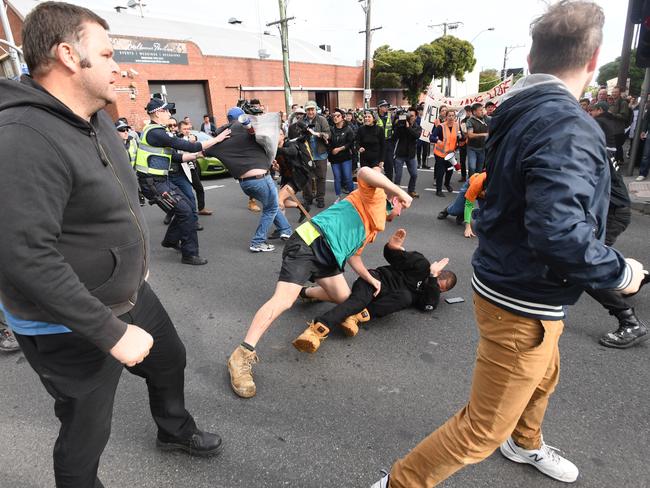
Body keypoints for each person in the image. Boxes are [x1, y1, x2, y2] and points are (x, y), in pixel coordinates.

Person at [373, 2, 646, 487]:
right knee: (480, 429)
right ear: (594, 57)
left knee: (543, 379)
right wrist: (622, 273)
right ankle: (399, 483)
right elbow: (560, 232)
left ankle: (524, 443)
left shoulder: (519, 110)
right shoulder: (565, 123)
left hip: (521, 283)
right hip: (524, 294)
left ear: (532, 55)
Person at [0, 4, 225, 487]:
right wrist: (111, 333)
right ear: (67, 55)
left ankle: (173, 429)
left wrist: (134, 260)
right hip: (67, 322)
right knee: (85, 430)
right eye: (105, 53)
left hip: (126, 292)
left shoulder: (95, 117)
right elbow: (23, 256)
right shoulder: (22, 137)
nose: (118, 65)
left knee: (170, 359)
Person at [227, 166, 413, 398]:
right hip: (310, 242)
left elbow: (354, 256)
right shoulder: (374, 195)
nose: (401, 211)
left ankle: (305, 294)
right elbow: (364, 171)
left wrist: (369, 280)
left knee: (344, 298)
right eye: (401, 206)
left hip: (330, 258)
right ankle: (241, 355)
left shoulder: (373, 229)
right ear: (394, 200)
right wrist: (400, 191)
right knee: (283, 300)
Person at [292, 228, 456, 353]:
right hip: (375, 280)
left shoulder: (430, 290)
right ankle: (315, 331)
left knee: (405, 297)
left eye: (440, 290)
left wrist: (434, 278)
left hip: (380, 302)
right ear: (438, 271)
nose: (435, 289)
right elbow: (395, 257)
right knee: (355, 301)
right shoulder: (421, 264)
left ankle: (352, 316)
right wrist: (393, 247)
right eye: (437, 284)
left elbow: (429, 305)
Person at [585, 101, 648, 348]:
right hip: (612, 212)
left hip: (611, 214)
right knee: (584, 259)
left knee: (581, 265)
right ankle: (636, 275)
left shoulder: (590, 154)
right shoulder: (596, 149)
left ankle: (629, 321)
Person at [136, 98, 228, 265]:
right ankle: (189, 254)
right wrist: (216, 139)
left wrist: (199, 155)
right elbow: (189, 146)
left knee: (188, 208)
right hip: (153, 183)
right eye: (167, 111)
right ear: (158, 112)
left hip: (160, 181)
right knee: (185, 212)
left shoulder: (156, 132)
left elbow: (176, 157)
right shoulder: (155, 132)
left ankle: (171, 241)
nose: (170, 115)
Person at [205, 107, 292, 252]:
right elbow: (269, 136)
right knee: (271, 208)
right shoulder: (249, 129)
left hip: (246, 183)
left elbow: (202, 151)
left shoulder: (221, 138)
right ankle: (258, 242)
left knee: (271, 205)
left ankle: (286, 230)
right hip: (261, 178)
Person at [179, 120, 213, 216]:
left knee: (199, 188)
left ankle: (201, 208)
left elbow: (196, 146)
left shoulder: (192, 137)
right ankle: (172, 213)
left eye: (188, 129)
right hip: (181, 168)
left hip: (191, 167)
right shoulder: (177, 138)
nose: (186, 131)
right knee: (183, 193)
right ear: (180, 129)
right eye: (184, 129)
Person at [302, 100, 330, 208]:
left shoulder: (322, 120)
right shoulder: (302, 121)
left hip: (321, 154)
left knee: (321, 177)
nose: (310, 112)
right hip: (307, 154)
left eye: (312, 109)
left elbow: (328, 133)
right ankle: (308, 198)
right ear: (306, 111)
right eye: (308, 110)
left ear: (315, 110)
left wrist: (319, 134)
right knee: (307, 177)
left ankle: (320, 198)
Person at [431, 109, 463, 196]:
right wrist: (438, 141)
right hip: (440, 153)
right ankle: (438, 190)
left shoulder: (457, 125)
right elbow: (432, 137)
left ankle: (447, 184)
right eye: (449, 115)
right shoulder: (441, 127)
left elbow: (459, 137)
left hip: (450, 154)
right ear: (446, 117)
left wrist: (460, 138)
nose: (451, 117)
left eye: (453, 116)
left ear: (455, 117)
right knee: (440, 172)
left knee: (450, 171)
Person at [393, 107, 422, 198]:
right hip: (400, 154)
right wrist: (397, 124)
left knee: (414, 174)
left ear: (416, 117)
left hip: (411, 155)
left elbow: (416, 135)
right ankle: (395, 193)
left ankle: (411, 190)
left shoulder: (418, 127)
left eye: (412, 116)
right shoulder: (402, 125)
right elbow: (396, 136)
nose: (410, 117)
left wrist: (408, 127)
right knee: (398, 175)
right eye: (409, 115)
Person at [328, 108, 355, 203]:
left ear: (342, 118)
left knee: (348, 177)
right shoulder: (331, 129)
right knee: (337, 178)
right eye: (334, 116)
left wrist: (340, 149)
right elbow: (329, 143)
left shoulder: (348, 129)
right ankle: (338, 197)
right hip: (334, 159)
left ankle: (353, 197)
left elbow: (350, 143)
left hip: (346, 157)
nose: (335, 118)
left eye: (338, 116)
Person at [608, 86, 631, 163]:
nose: (613, 93)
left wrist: (612, 114)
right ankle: (617, 161)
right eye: (613, 92)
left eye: (615, 92)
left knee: (617, 147)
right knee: (614, 147)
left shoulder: (623, 103)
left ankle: (618, 161)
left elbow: (624, 116)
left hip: (618, 130)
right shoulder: (611, 101)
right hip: (611, 129)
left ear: (619, 93)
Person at [465, 102, 489, 176]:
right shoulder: (470, 121)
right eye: (480, 110)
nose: (482, 111)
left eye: (483, 110)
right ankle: (470, 184)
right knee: (472, 167)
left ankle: (476, 186)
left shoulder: (485, 119)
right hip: (472, 148)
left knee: (479, 169)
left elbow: (494, 121)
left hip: (482, 148)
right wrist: (483, 134)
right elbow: (470, 135)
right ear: (474, 112)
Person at [376, 100, 396, 180]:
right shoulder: (374, 116)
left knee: (389, 164)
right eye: (384, 106)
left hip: (388, 143)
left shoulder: (391, 116)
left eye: (387, 106)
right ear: (379, 107)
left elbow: (394, 127)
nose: (386, 108)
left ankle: (389, 182)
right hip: (377, 144)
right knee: (377, 165)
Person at [416, 105, 431, 169]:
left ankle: (424, 163)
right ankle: (419, 163)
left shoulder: (425, 118)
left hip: (425, 136)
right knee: (418, 151)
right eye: (420, 110)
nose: (421, 112)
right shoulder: (416, 119)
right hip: (419, 136)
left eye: (422, 110)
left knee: (425, 151)